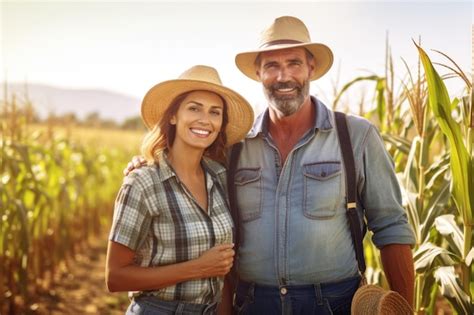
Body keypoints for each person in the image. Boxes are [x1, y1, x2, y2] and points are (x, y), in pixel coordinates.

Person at [125, 16, 416, 315]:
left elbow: (392, 228)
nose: (283, 77)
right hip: (252, 303)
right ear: (258, 73)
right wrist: (150, 164)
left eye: (294, 63)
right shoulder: (234, 145)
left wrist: (402, 309)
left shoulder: (356, 135)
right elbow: (187, 170)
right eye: (272, 66)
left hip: (333, 304)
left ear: (311, 68)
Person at [106, 65, 254, 315]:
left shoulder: (220, 178)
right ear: (173, 116)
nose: (204, 120)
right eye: (194, 108)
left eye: (214, 112)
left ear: (220, 124)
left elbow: (221, 273)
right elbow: (115, 277)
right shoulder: (142, 183)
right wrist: (198, 267)